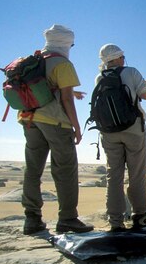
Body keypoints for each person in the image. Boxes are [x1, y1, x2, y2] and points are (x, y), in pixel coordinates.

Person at [21, 24, 94, 235]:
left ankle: (32, 219)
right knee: (65, 169)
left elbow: (46, 88)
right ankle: (68, 218)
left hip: (29, 118)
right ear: (66, 43)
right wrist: (77, 127)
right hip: (55, 122)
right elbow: (66, 98)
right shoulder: (62, 62)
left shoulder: (34, 60)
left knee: (33, 169)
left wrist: (74, 93)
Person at [95, 44, 146, 231]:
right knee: (136, 175)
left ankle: (115, 221)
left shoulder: (100, 77)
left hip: (108, 132)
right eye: (122, 56)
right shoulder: (131, 72)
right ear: (117, 58)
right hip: (133, 129)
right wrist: (144, 84)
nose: (124, 59)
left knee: (113, 176)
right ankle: (139, 217)